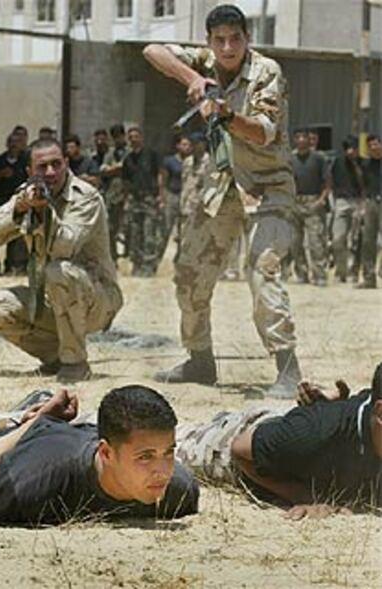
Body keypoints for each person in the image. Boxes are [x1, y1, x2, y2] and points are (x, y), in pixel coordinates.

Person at [144, 4, 301, 397]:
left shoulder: (267, 72)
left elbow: (264, 132)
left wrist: (225, 114)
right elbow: (152, 51)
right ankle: (200, 360)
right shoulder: (206, 61)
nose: (228, 48)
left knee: (262, 268)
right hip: (222, 186)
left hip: (268, 185)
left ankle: (287, 368)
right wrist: (194, 77)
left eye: (235, 39)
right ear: (209, 42)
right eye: (219, 40)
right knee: (189, 271)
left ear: (247, 39)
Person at [0, 138, 123, 382]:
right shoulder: (28, 193)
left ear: (66, 163)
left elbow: (65, 246)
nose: (51, 172)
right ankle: (56, 355)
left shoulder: (85, 197)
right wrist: (20, 209)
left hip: (97, 299)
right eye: (42, 167)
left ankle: (74, 362)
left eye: (56, 164)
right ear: (30, 171)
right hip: (50, 298)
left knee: (59, 271)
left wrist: (45, 212)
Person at [0, 385, 199, 525]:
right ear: (106, 454)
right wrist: (33, 424)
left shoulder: (179, 491)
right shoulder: (31, 486)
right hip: (10, 436)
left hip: (74, 432)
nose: (162, 471)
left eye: (168, 452)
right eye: (145, 457)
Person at [177, 364, 382, 519]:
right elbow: (239, 449)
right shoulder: (311, 435)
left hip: (293, 427)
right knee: (171, 448)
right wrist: (306, 496)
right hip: (235, 444)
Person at [0, 133, 28, 275]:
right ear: (7, 144)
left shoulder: (25, 161)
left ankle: (13, 266)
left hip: (20, 202)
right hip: (1, 202)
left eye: (17, 142)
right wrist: (0, 174)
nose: (14, 145)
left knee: (17, 234)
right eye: (11, 142)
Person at [290, 127, 329, 286]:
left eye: (303, 137)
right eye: (297, 137)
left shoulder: (319, 158)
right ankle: (301, 274)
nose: (301, 140)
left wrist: (321, 200)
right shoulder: (290, 159)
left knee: (316, 242)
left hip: (313, 201)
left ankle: (319, 275)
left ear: (309, 139)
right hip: (295, 202)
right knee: (295, 242)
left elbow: (327, 181)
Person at [122, 126, 162, 277]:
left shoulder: (151, 155)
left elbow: (159, 174)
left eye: (136, 136)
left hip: (149, 198)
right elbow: (126, 181)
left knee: (149, 232)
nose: (133, 139)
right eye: (130, 137)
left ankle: (149, 265)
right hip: (135, 199)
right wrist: (127, 200)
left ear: (141, 138)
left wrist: (160, 195)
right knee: (135, 233)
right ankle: (137, 264)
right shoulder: (128, 159)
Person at [330, 135, 365, 283]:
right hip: (341, 201)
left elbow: (365, 184)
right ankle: (340, 271)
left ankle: (353, 272)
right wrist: (332, 201)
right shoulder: (338, 162)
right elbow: (330, 180)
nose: (350, 151)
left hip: (358, 202)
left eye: (353, 148)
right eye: (347, 148)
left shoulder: (363, 163)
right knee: (338, 238)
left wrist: (356, 165)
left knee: (355, 240)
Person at [158, 135, 192, 259]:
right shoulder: (169, 161)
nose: (187, 147)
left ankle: (180, 259)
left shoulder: (192, 161)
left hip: (187, 197)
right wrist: (162, 197)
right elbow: (163, 179)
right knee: (166, 228)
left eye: (188, 145)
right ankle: (156, 258)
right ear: (177, 146)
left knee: (184, 230)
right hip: (172, 195)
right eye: (184, 144)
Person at [100, 124, 130, 262]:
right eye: (115, 137)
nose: (117, 139)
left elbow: (127, 168)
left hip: (127, 194)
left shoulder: (130, 152)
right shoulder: (109, 153)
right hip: (112, 195)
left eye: (119, 136)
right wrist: (117, 168)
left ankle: (128, 255)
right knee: (111, 228)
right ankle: (113, 257)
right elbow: (103, 170)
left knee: (129, 227)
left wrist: (114, 169)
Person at [356, 134, 382, 289]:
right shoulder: (366, 165)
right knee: (367, 241)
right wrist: (362, 205)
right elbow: (363, 186)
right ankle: (369, 277)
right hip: (372, 202)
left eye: (376, 144)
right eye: (371, 145)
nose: (374, 147)